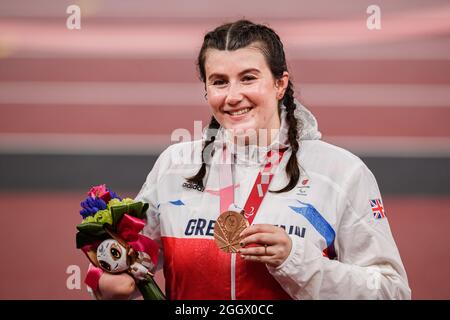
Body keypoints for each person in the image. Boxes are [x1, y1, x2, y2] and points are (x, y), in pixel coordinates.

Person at [92, 19, 411, 300]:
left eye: (248, 78)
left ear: (280, 84)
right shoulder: (174, 165)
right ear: (206, 89)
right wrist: (106, 280)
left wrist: (297, 259)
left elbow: (391, 291)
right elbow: (134, 266)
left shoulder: (341, 172)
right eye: (219, 81)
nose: (232, 96)